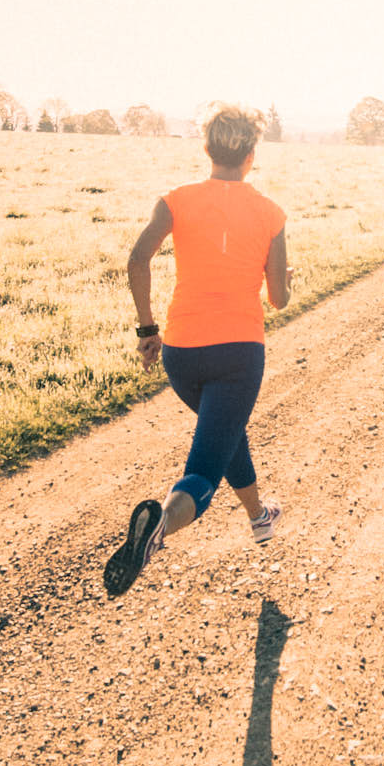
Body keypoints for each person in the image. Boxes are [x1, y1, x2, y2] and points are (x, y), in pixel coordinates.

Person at [104, 104, 291, 596]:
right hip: (238, 354)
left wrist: (147, 329)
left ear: (207, 150)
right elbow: (278, 299)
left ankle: (259, 517)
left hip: (181, 352)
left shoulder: (175, 201)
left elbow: (137, 259)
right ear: (251, 156)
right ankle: (159, 528)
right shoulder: (271, 213)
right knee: (205, 465)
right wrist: (283, 278)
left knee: (224, 432)